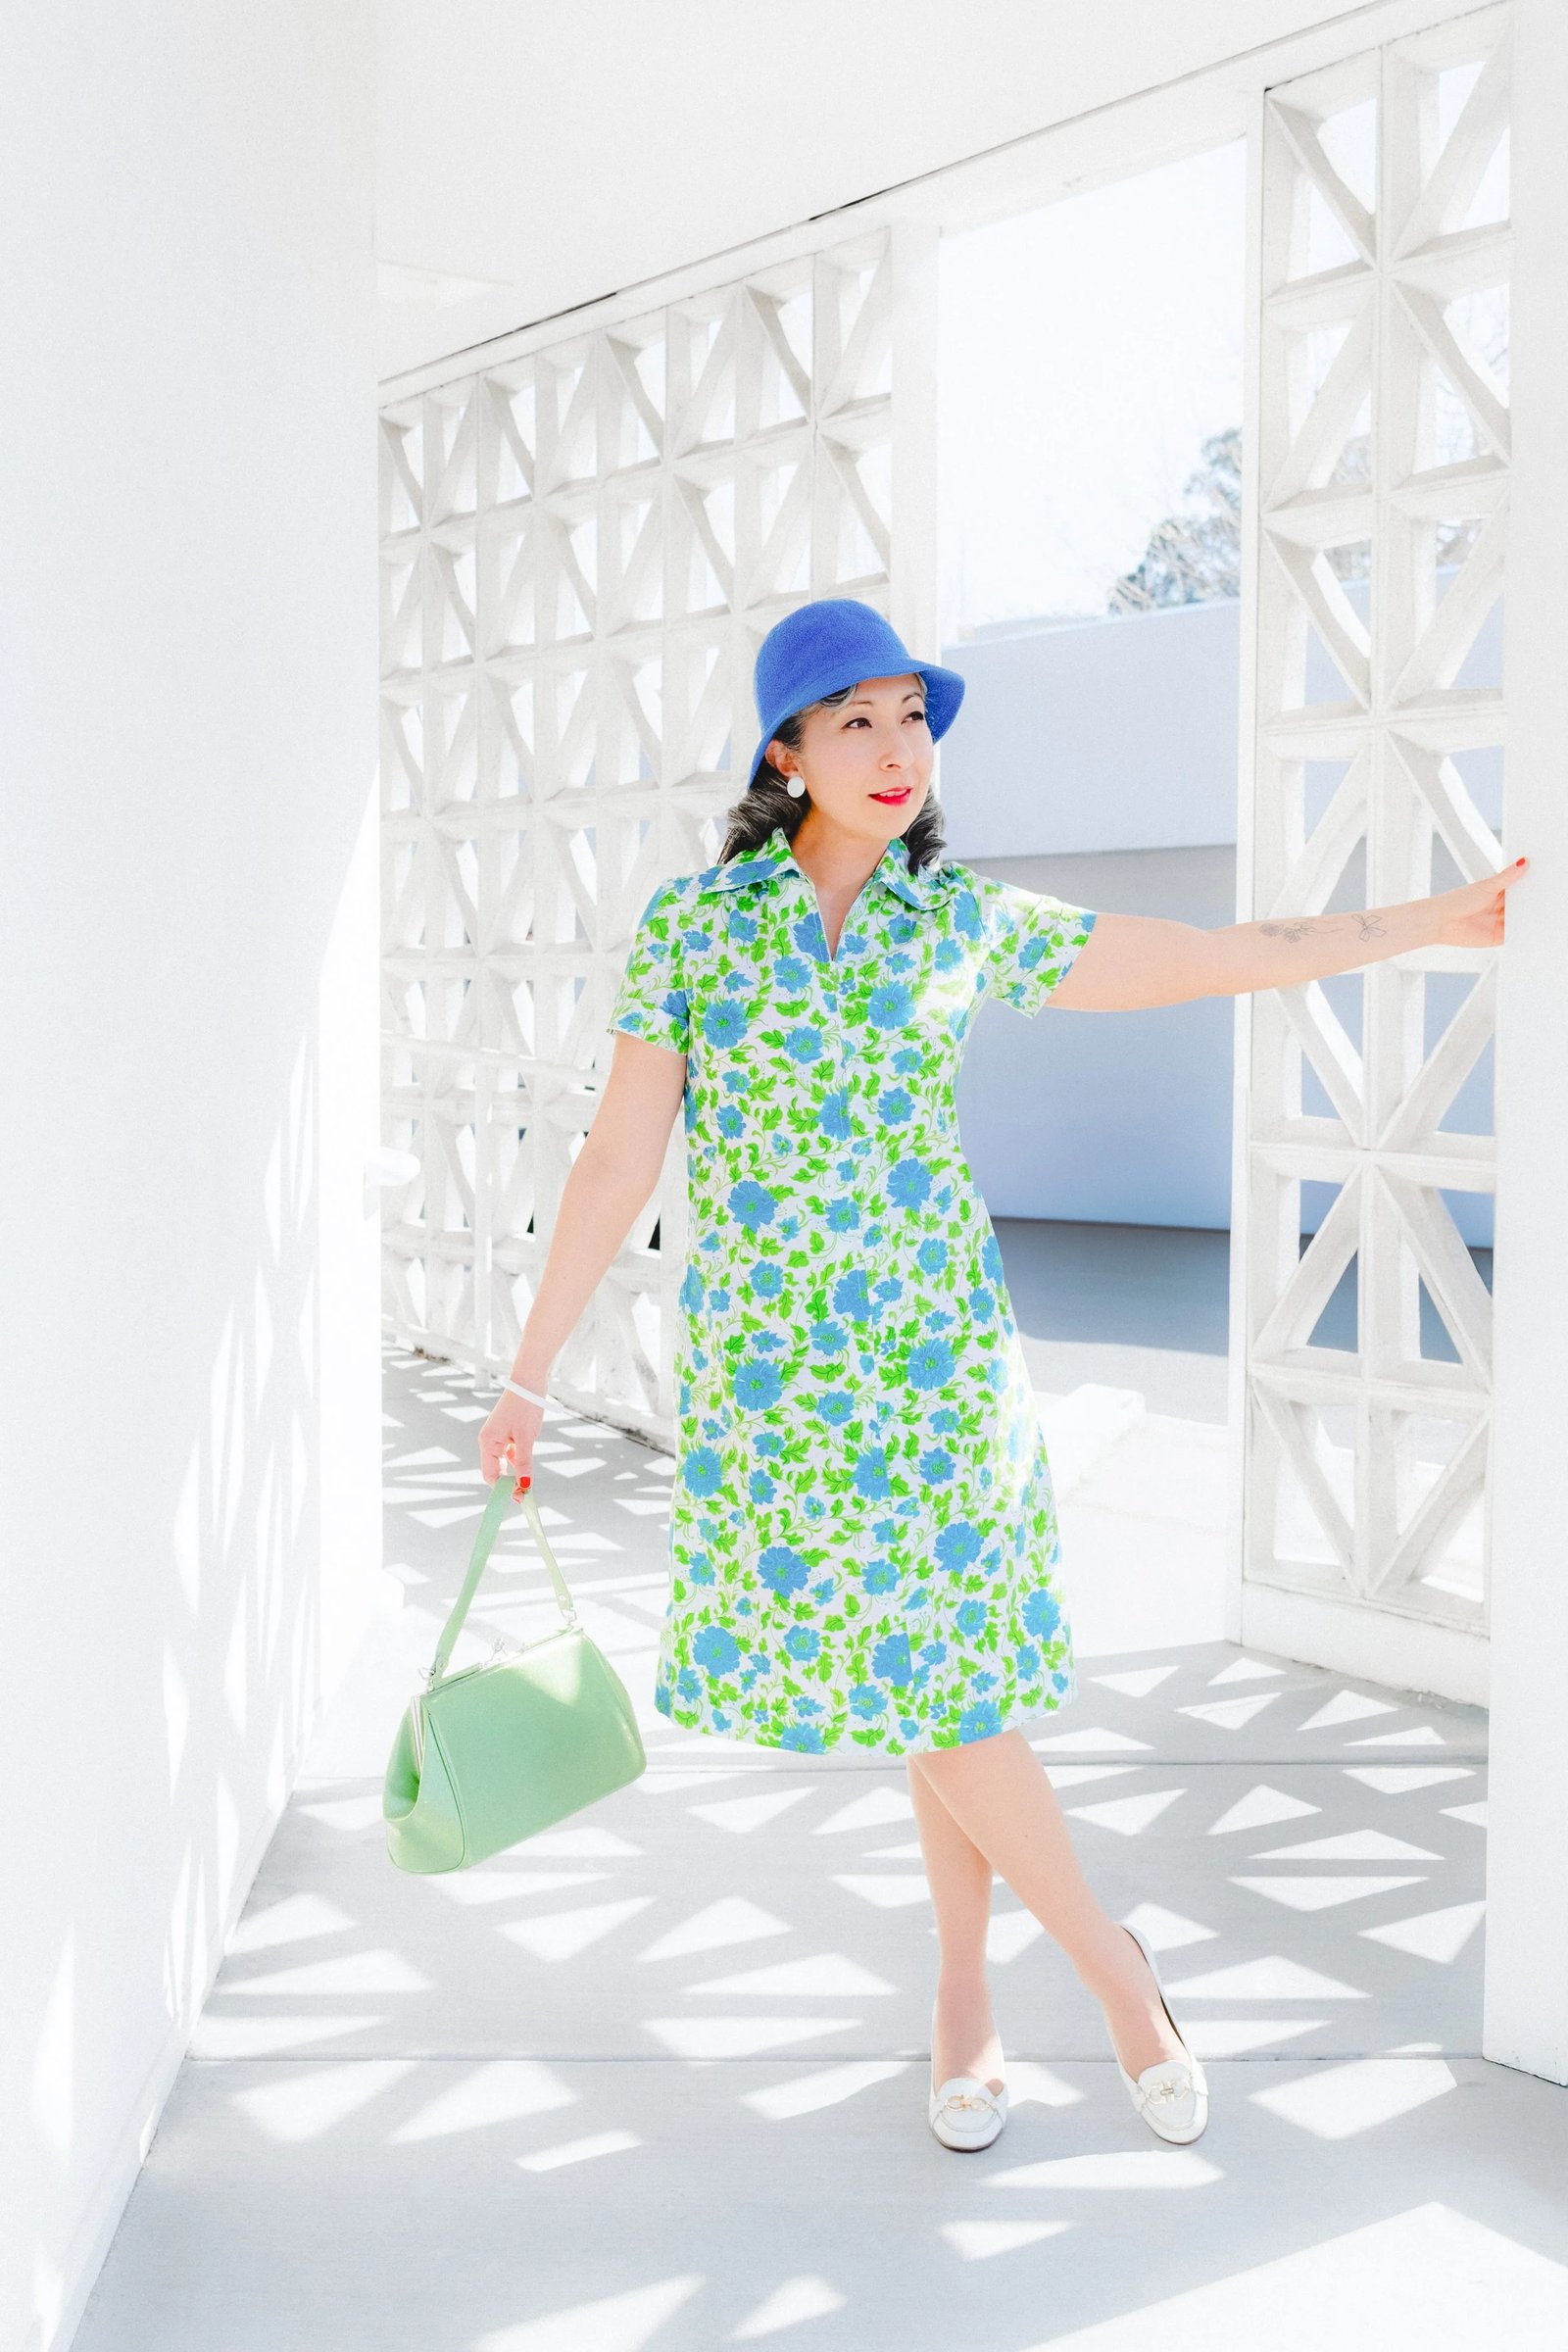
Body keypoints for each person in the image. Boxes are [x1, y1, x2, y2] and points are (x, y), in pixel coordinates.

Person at [477, 596, 1525, 2154]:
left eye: (914, 717)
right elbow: (621, 1148)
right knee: (929, 1688)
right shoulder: (696, 931)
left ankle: (1102, 1978)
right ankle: (979, 1994)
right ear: (788, 751)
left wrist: (1423, 922)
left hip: (938, 1368)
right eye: (857, 722)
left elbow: (1204, 957)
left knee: (950, 1685)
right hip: (775, 1384)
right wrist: (530, 1373)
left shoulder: (953, 921)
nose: (898, 751)